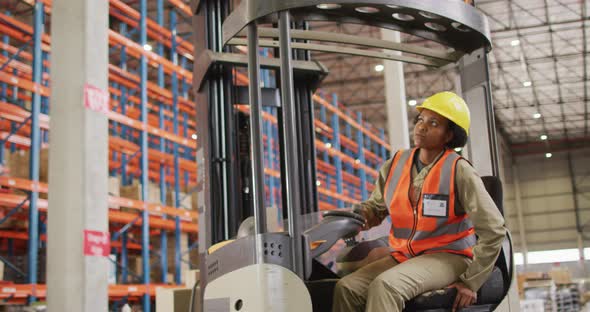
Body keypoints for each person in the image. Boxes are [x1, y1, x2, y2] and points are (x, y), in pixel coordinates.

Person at [332, 91, 507, 312]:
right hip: (404, 255)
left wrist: (472, 281)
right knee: (347, 287)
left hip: (448, 257)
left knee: (386, 286)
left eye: (433, 123)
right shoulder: (395, 164)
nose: (422, 127)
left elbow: (494, 229)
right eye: (421, 120)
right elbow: (376, 208)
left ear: (449, 135)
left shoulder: (458, 170)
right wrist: (360, 216)